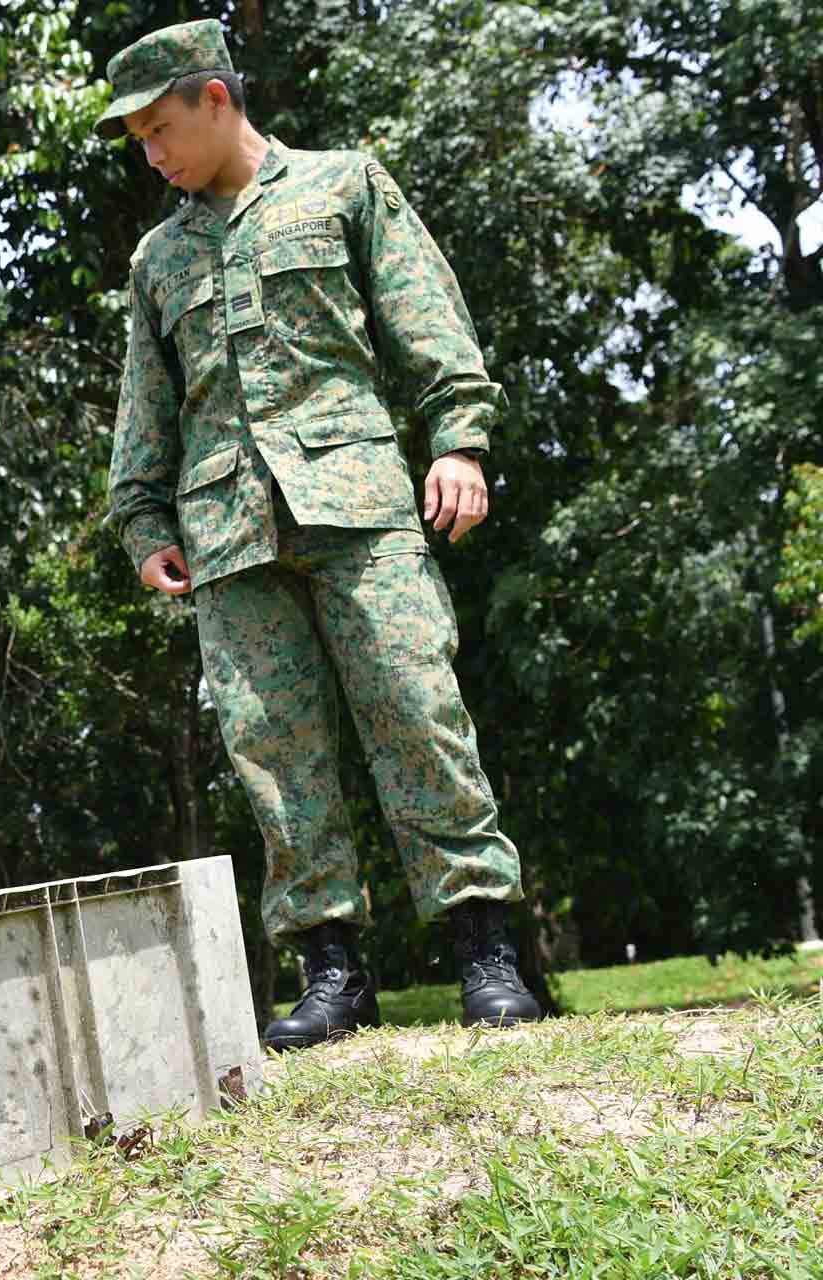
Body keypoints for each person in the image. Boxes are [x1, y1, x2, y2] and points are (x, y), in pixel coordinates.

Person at [94, 21, 544, 1050]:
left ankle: (485, 950)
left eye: (160, 128)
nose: (152, 155)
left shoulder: (345, 185)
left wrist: (459, 441)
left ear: (215, 98)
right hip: (229, 534)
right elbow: (145, 408)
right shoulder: (160, 258)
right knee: (273, 754)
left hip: (358, 505)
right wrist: (144, 524)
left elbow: (428, 320)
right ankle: (332, 973)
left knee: (418, 712)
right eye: (139, 140)